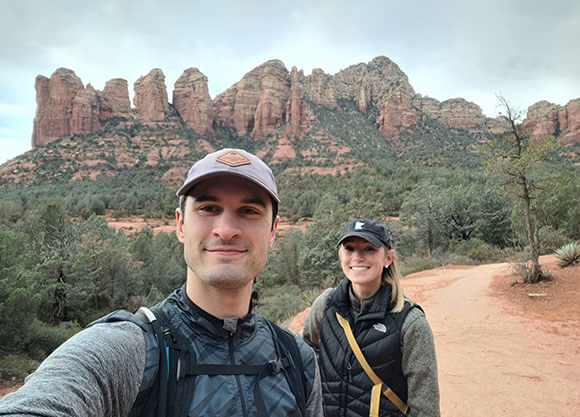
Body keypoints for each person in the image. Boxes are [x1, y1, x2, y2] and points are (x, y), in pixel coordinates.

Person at [0, 148, 323, 417]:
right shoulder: (128, 350)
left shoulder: (297, 359)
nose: (226, 229)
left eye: (249, 211)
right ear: (181, 225)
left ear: (273, 232)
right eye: (209, 208)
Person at [302, 219, 440, 417]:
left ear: (388, 258)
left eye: (369, 249)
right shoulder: (325, 305)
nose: (357, 257)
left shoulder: (410, 323)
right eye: (349, 249)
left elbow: (425, 409)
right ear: (341, 255)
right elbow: (304, 352)